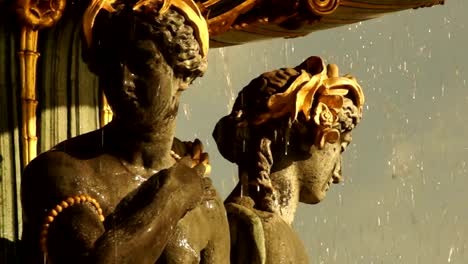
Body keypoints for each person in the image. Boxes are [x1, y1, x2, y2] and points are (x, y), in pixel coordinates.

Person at [21, 0, 229, 263]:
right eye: (110, 63)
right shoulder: (62, 172)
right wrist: (172, 199)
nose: (123, 81)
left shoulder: (206, 203)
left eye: (142, 63)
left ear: (184, 74)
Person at [213, 56, 365, 264]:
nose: (338, 172)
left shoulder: (228, 220)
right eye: (340, 148)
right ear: (305, 136)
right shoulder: (265, 232)